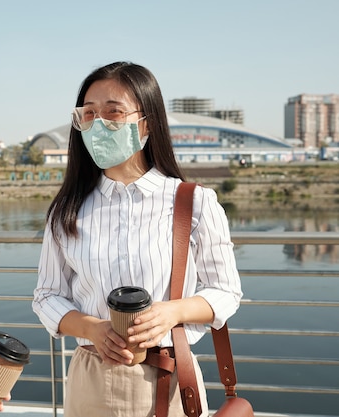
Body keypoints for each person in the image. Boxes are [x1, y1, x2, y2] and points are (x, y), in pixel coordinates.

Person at [32, 61, 243, 417]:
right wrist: (93, 328)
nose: (99, 124)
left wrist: (171, 312)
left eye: (114, 113)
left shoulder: (194, 202)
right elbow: (47, 296)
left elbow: (225, 292)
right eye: (88, 114)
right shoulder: (67, 209)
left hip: (171, 378)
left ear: (147, 123)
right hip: (92, 378)